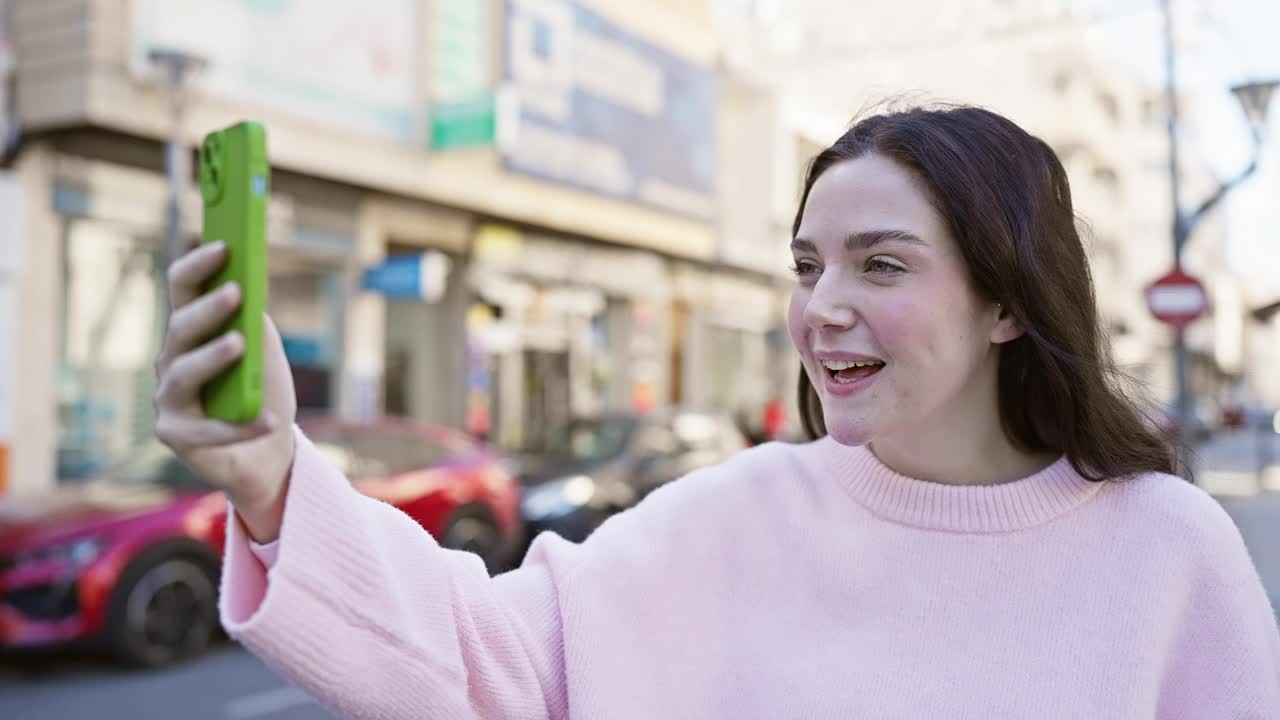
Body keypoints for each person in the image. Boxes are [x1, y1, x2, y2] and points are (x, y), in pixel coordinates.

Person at [154, 105, 1280, 718]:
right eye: (806, 267)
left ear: (1002, 301)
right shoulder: (719, 518)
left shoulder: (1164, 553)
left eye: (879, 267)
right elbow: (470, 659)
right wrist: (270, 474)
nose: (822, 309)